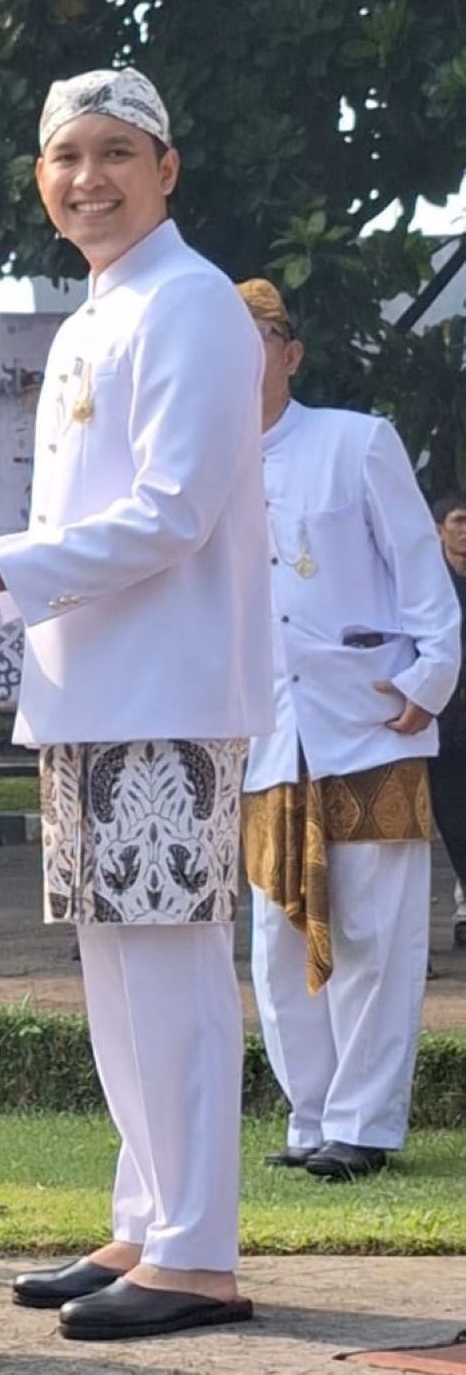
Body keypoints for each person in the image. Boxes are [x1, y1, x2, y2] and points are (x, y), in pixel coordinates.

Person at [0, 68, 273, 1342]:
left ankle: (200, 1254)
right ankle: (148, 1220)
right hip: (89, 693)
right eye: (65, 157)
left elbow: (174, 513)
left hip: (164, 691)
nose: (88, 177)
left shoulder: (195, 305)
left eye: (116, 152)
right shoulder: (102, 315)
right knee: (115, 970)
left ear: (167, 169)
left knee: (171, 968)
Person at [237, 279, 460, 1181]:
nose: (240, 359)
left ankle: (364, 1127)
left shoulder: (356, 441)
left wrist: (432, 676)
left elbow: (421, 569)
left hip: (370, 715)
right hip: (264, 730)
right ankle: (311, 1117)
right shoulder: (196, 471)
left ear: (290, 355)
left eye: (258, 340)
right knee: (276, 937)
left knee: (374, 928)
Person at [430, 492, 466, 947]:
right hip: (441, 725)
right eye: (458, 520)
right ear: (439, 529)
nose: (465, 529)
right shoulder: (429, 585)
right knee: (452, 822)